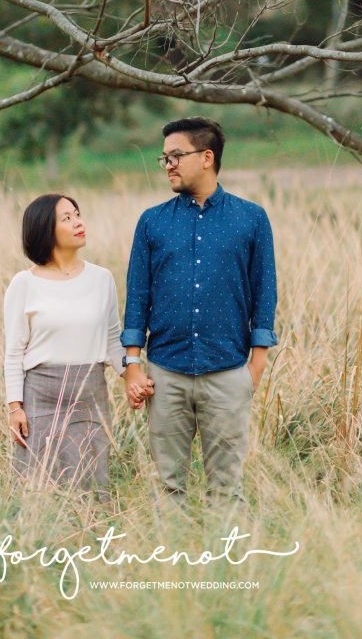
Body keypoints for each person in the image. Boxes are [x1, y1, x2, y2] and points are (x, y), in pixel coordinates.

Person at [121, 117, 279, 509]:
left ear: (207, 157)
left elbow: (265, 292)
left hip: (227, 371)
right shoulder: (152, 222)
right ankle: (170, 567)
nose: (168, 165)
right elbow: (137, 297)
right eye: (165, 158)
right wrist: (133, 365)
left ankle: (227, 566)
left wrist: (255, 366)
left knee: (227, 489)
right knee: (167, 487)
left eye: (176, 155)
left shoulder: (251, 218)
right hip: (166, 374)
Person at [3, 193, 152, 501]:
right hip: (41, 395)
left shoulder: (101, 279)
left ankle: (94, 541)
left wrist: (132, 375)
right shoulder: (24, 284)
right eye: (67, 218)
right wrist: (15, 407)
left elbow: (112, 339)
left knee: (92, 484)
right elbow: (14, 352)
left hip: (89, 392)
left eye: (78, 214)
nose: (78, 222)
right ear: (45, 229)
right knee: (39, 488)